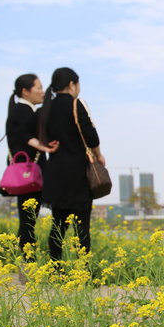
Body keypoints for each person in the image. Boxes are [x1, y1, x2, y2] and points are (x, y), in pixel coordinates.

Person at [38, 67, 105, 262]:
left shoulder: (46, 108)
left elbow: (42, 137)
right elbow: (91, 136)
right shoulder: (76, 105)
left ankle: (56, 270)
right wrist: (99, 156)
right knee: (81, 225)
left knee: (58, 225)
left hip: (56, 172)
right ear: (71, 84)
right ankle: (83, 271)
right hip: (77, 173)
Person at [5, 73, 59, 260]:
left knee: (28, 218)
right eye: (39, 87)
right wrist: (43, 147)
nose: (42, 92)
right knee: (28, 219)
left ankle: (29, 261)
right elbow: (22, 135)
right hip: (28, 172)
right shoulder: (21, 110)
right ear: (25, 91)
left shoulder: (25, 110)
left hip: (29, 171)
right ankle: (28, 263)